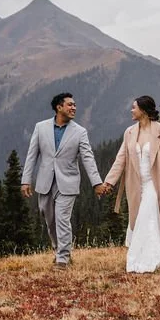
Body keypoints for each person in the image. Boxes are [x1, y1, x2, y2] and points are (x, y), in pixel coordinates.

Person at [98, 96, 160, 273]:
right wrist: (109, 182)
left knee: (147, 217)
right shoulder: (129, 132)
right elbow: (120, 159)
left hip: (156, 184)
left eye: (134, 108)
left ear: (143, 111)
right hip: (137, 185)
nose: (131, 110)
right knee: (147, 218)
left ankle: (147, 258)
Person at [21, 93, 104, 269]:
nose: (74, 108)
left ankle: (63, 259)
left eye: (74, 105)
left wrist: (97, 183)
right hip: (45, 181)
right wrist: (26, 180)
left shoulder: (80, 132)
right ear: (59, 107)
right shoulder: (41, 127)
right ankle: (59, 249)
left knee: (62, 219)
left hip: (68, 182)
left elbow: (88, 158)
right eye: (70, 105)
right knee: (49, 220)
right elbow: (32, 155)